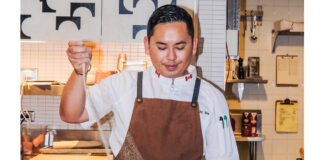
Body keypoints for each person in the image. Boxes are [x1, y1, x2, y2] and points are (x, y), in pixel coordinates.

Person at [60, 4, 239, 160]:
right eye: (161, 47)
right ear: (147, 45)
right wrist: (78, 72)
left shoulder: (211, 98)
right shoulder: (123, 84)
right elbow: (72, 115)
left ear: (194, 46)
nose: (171, 57)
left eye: (180, 47)